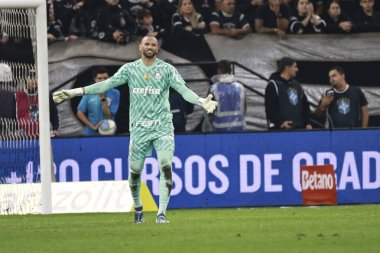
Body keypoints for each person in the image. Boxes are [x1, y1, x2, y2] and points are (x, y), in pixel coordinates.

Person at [53, 35, 218, 223]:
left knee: (165, 167)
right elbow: (106, 85)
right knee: (135, 173)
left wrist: (201, 101)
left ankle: (161, 213)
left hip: (162, 126)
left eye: (153, 44)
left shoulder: (166, 70)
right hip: (139, 128)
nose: (150, 46)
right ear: (140, 47)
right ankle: (138, 207)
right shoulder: (130, 69)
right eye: (147, 43)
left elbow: (183, 90)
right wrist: (76, 91)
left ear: (157, 48)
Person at [265, 57, 312, 130]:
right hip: (279, 131)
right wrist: (281, 123)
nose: (297, 69)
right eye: (295, 67)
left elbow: (305, 105)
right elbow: (270, 110)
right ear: (287, 67)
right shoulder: (273, 84)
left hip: (298, 129)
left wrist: (308, 122)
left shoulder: (297, 85)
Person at [204, 60, 246, 132]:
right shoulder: (240, 87)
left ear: (219, 70)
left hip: (219, 129)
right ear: (230, 70)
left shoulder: (213, 89)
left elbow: (208, 113)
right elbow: (244, 109)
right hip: (239, 128)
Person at [77, 67, 120, 136]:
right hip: (90, 133)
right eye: (99, 78)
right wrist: (93, 127)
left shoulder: (115, 93)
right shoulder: (88, 92)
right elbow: (80, 112)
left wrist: (102, 97)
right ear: (95, 80)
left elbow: (109, 115)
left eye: (105, 78)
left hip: (108, 131)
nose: (103, 80)